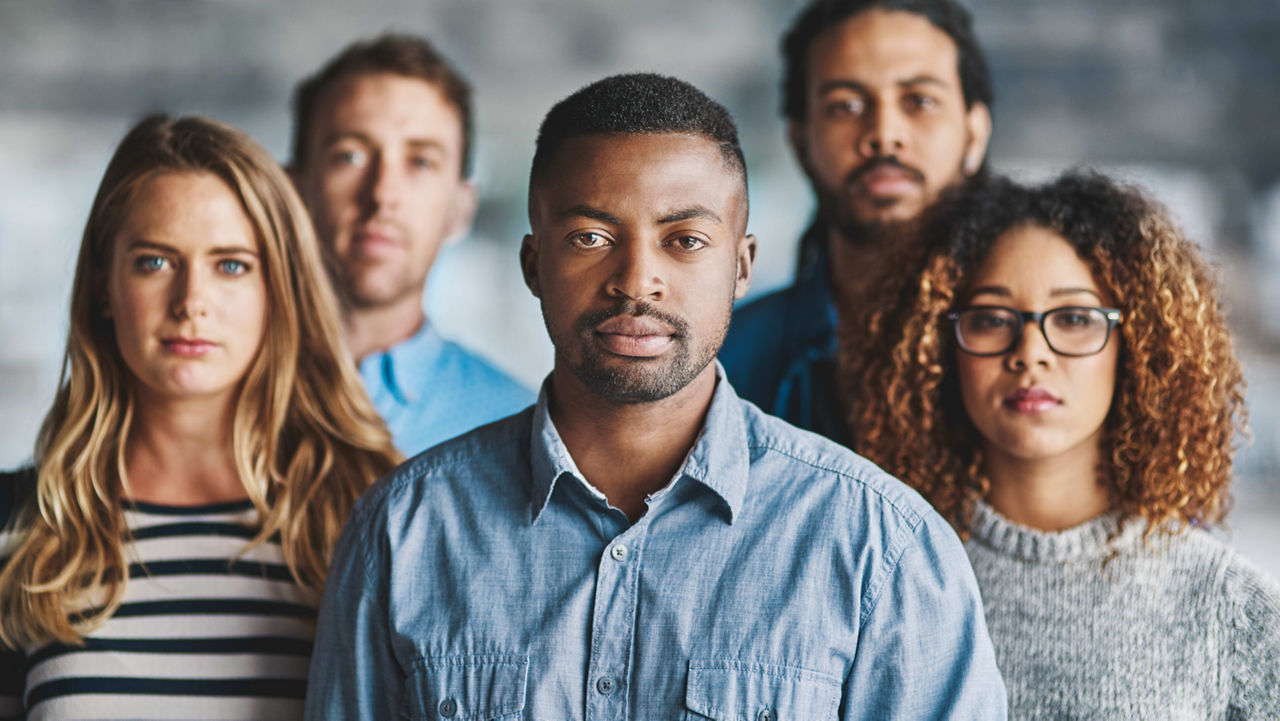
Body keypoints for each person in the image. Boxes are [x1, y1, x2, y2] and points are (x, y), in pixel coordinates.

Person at [304, 72, 1006, 720]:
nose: (638, 281)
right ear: (532, 264)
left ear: (743, 266)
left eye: (685, 239)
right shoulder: (403, 531)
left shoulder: (880, 546)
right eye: (591, 236)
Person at [0, 115, 401, 719]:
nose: (191, 303)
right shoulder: (19, 527)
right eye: (155, 262)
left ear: (279, 289)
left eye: (231, 265)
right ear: (105, 286)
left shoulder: (376, 514)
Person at [843, 171, 1280, 717]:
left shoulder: (1232, 606)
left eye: (1074, 318)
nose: (1030, 353)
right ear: (937, 347)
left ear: (1139, 347)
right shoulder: (882, 579)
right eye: (991, 319)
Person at [720, 0, 993, 443]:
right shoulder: (722, 362)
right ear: (800, 139)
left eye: (920, 101)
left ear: (974, 134)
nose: (885, 133)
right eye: (845, 105)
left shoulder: (1048, 346)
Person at [289, 33, 534, 456]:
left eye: (420, 161)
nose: (383, 194)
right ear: (292, 190)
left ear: (460, 209)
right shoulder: (199, 397)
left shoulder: (525, 435)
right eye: (350, 156)